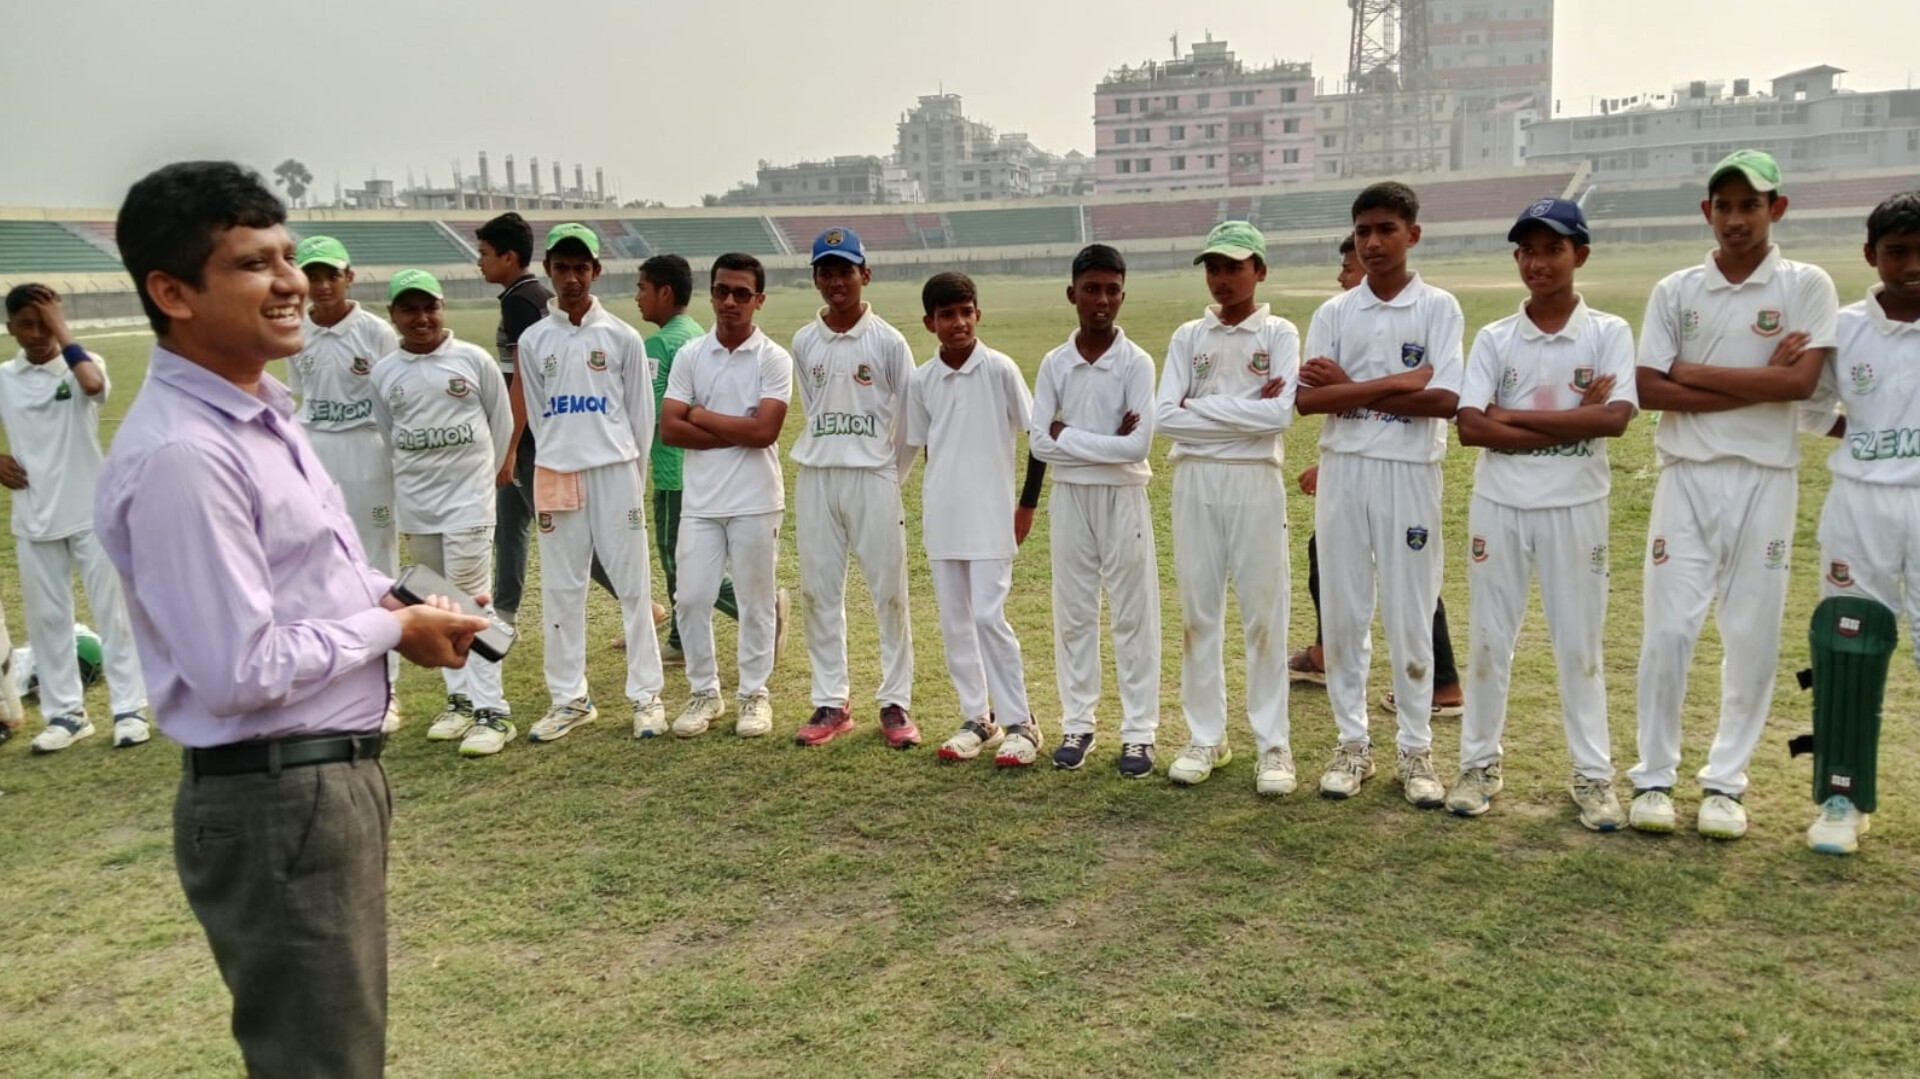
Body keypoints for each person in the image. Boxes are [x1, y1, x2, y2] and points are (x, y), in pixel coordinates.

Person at [96, 160, 487, 1079]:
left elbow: (314, 583)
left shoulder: (260, 417)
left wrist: (398, 598)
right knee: (322, 1064)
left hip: (321, 785)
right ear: (171, 292)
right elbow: (239, 667)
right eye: (251, 264)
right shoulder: (186, 456)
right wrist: (392, 630)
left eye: (288, 257)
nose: (289, 284)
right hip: (276, 795)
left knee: (341, 1052)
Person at [1627, 149, 1838, 840]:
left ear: (1777, 208)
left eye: (1752, 204)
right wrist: (1750, 379)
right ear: (1707, 212)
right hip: (1685, 475)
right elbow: (1650, 388)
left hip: (1766, 479)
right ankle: (1654, 775)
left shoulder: (1806, 284)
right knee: (1668, 631)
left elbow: (1799, 386)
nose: (1737, 218)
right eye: (1726, 205)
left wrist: (1692, 373)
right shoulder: (1676, 289)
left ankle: (1725, 784)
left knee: (1750, 635)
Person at [1446, 199, 1638, 830]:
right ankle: (1478, 765)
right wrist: (1566, 422)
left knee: (1578, 645)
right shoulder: (1497, 338)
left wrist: (1512, 417)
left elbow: (1612, 419)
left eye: (1553, 248)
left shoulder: (1607, 332)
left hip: (1576, 506)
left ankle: (1592, 775)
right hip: (1500, 505)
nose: (1539, 262)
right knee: (1489, 642)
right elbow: (1471, 428)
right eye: (1528, 250)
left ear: (1579, 254)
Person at [1297, 182, 1465, 807]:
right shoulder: (1335, 313)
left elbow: (1445, 401)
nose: (1372, 242)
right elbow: (1309, 399)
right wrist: (1398, 382)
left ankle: (1416, 751)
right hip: (1345, 471)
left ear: (1412, 234)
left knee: (1410, 611)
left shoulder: (1439, 308)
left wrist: (1352, 387)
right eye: (1363, 230)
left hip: (1409, 471)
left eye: (1386, 229)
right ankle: (1352, 745)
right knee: (1343, 615)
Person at [1792, 190, 1920, 854]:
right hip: (1860, 505)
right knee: (1849, 646)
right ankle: (1841, 796)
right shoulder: (1843, 328)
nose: (1913, 264)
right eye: (1898, 251)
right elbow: (1811, 409)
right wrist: (1866, 433)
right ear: (1871, 255)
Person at [1151, 224, 1299, 789]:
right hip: (1195, 480)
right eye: (1213, 267)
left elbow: (1280, 416)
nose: (1221, 279)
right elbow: (1166, 417)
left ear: (1259, 270)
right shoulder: (1189, 335)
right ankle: (1206, 737)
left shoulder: (1279, 332)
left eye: (1234, 267)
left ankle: (1274, 746)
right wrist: (1240, 412)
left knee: (1264, 613)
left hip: (1256, 479)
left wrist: (1203, 407)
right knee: (1199, 611)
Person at [515, 223, 667, 743]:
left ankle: (647, 696)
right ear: (550, 271)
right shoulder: (534, 341)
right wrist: (559, 457)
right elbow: (539, 417)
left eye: (582, 268)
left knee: (632, 585)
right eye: (563, 268)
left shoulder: (621, 337)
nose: (572, 278)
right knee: (562, 589)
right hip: (557, 472)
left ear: (596, 272)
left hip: (615, 471)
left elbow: (640, 419)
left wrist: (631, 477)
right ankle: (569, 699)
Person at [369, 270, 516, 756]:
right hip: (419, 507)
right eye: (409, 309)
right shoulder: (385, 372)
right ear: (393, 315)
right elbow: (391, 436)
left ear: (442, 308)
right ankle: (461, 703)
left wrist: (479, 482)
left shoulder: (472, 360)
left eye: (429, 307)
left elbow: (502, 422)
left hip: (468, 503)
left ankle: (495, 712)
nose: (421, 318)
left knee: (472, 605)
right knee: (436, 608)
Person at [0, 284, 151, 752]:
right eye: (27, 323)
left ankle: (129, 709)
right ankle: (66, 714)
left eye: (46, 321)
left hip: (91, 512)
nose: (39, 333)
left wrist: (62, 330)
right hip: (34, 518)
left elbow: (92, 387)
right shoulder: (5, 376)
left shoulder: (84, 363)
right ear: (10, 328)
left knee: (114, 614)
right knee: (48, 620)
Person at [1028, 244, 1159, 776]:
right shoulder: (1055, 363)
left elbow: (1137, 448)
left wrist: (1069, 435)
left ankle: (1139, 733)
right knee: (1075, 612)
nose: (1101, 300)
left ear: (1123, 295)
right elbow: (1039, 443)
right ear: (1072, 294)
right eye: (1091, 289)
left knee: (1134, 613)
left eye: (1111, 290)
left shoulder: (1137, 362)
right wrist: (1092, 440)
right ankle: (1078, 724)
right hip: (1070, 494)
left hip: (1123, 493)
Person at [789, 227, 920, 749]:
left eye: (846, 270)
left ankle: (895, 700)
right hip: (818, 475)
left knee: (889, 592)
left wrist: (889, 475)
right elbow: (812, 407)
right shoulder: (803, 340)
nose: (836, 280)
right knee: (819, 591)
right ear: (816, 278)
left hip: (873, 477)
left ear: (864, 274)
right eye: (826, 271)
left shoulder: (888, 341)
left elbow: (909, 425)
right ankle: (831, 699)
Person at [909, 272, 1042, 766]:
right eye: (947, 315)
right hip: (944, 517)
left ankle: (1022, 723)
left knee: (989, 617)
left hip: (993, 518)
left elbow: (1036, 440)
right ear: (930, 322)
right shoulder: (922, 379)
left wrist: (1025, 506)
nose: (959, 323)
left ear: (978, 314)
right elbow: (928, 447)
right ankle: (977, 716)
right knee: (955, 623)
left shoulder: (1000, 369)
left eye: (966, 312)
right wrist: (940, 501)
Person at [662, 252, 792, 739]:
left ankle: (754, 694)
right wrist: (734, 428)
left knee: (757, 601)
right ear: (710, 294)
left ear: (758, 299)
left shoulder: (774, 358)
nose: (730, 301)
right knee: (691, 598)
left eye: (742, 293)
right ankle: (704, 692)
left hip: (756, 498)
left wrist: (702, 415)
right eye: (721, 291)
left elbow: (765, 432)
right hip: (702, 501)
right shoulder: (691, 355)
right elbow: (670, 429)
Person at [287, 236, 403, 731]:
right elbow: (300, 396)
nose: (322, 286)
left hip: (367, 448)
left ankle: (385, 689)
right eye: (312, 276)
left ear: (349, 277)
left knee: (376, 564)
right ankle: (329, 682)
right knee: (318, 563)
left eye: (330, 275)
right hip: (318, 451)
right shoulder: (295, 331)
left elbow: (394, 397)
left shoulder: (375, 332)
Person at [637, 254, 737, 666]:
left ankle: (757, 611)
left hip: (671, 469)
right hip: (695, 469)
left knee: (679, 557)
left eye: (642, 289)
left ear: (664, 292)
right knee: (685, 556)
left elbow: (650, 411)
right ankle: (680, 638)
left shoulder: (659, 344)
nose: (637, 298)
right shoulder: (696, 333)